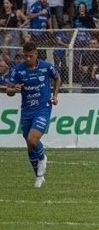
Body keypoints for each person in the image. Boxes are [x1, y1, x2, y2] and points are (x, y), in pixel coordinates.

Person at [6, 41, 61, 188]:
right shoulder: (18, 70)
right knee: (30, 146)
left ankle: (42, 158)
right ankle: (39, 176)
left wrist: (55, 95)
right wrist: (14, 89)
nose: (27, 59)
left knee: (32, 139)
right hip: (26, 111)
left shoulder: (46, 67)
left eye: (30, 56)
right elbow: (8, 91)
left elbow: (57, 78)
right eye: (25, 56)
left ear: (36, 54)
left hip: (43, 108)